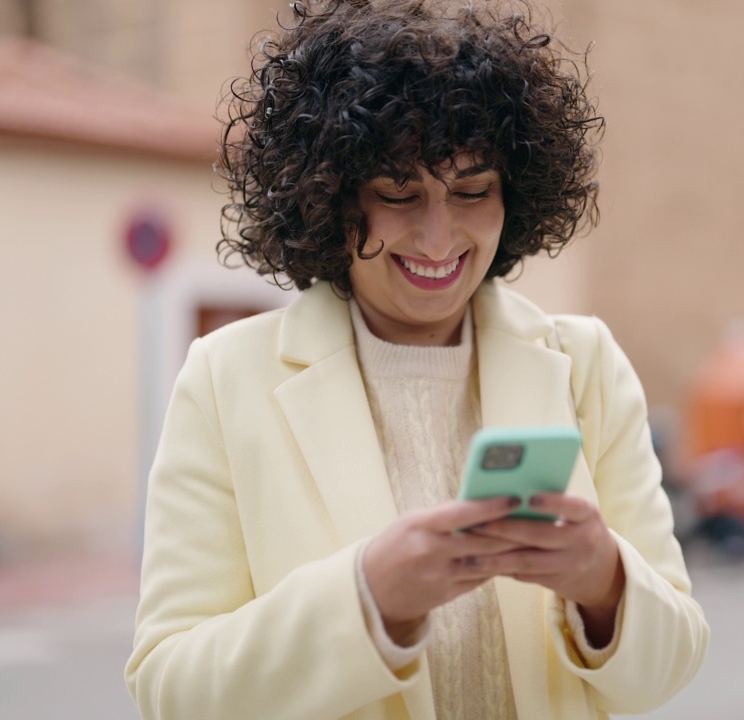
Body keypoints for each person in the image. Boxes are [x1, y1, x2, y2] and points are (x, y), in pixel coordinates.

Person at [125, 1, 709, 718]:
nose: (439, 237)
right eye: (399, 193)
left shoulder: (586, 365)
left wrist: (606, 583)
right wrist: (368, 599)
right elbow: (169, 690)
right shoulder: (224, 382)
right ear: (327, 198)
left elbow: (675, 659)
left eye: (473, 191)